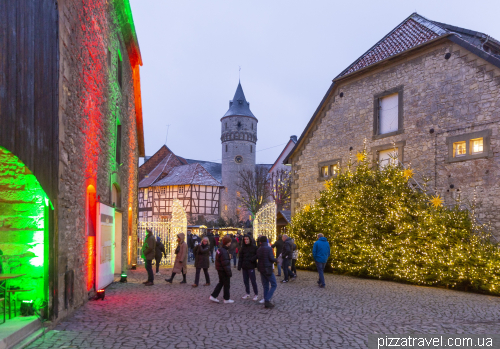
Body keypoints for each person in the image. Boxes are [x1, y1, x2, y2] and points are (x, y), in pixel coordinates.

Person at [210, 235, 234, 303]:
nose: (230, 243)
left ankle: (214, 296)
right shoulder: (224, 251)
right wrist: (229, 273)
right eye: (229, 242)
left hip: (220, 269)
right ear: (227, 243)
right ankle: (226, 298)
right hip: (223, 270)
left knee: (221, 283)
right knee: (226, 284)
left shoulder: (220, 250)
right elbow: (225, 263)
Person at [256, 236, 277, 309]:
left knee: (265, 285)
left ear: (260, 242)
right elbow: (271, 258)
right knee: (274, 284)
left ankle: (266, 301)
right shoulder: (269, 248)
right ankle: (267, 300)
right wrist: (276, 260)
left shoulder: (259, 249)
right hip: (268, 269)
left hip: (261, 269)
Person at [238, 235, 259, 301]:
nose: (246, 240)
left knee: (253, 281)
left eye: (247, 239)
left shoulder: (254, 247)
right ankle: (247, 293)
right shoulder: (243, 248)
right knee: (245, 280)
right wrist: (239, 266)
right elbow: (240, 257)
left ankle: (256, 294)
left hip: (251, 266)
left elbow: (258, 255)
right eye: (245, 239)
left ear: (249, 239)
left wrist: (252, 259)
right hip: (244, 266)